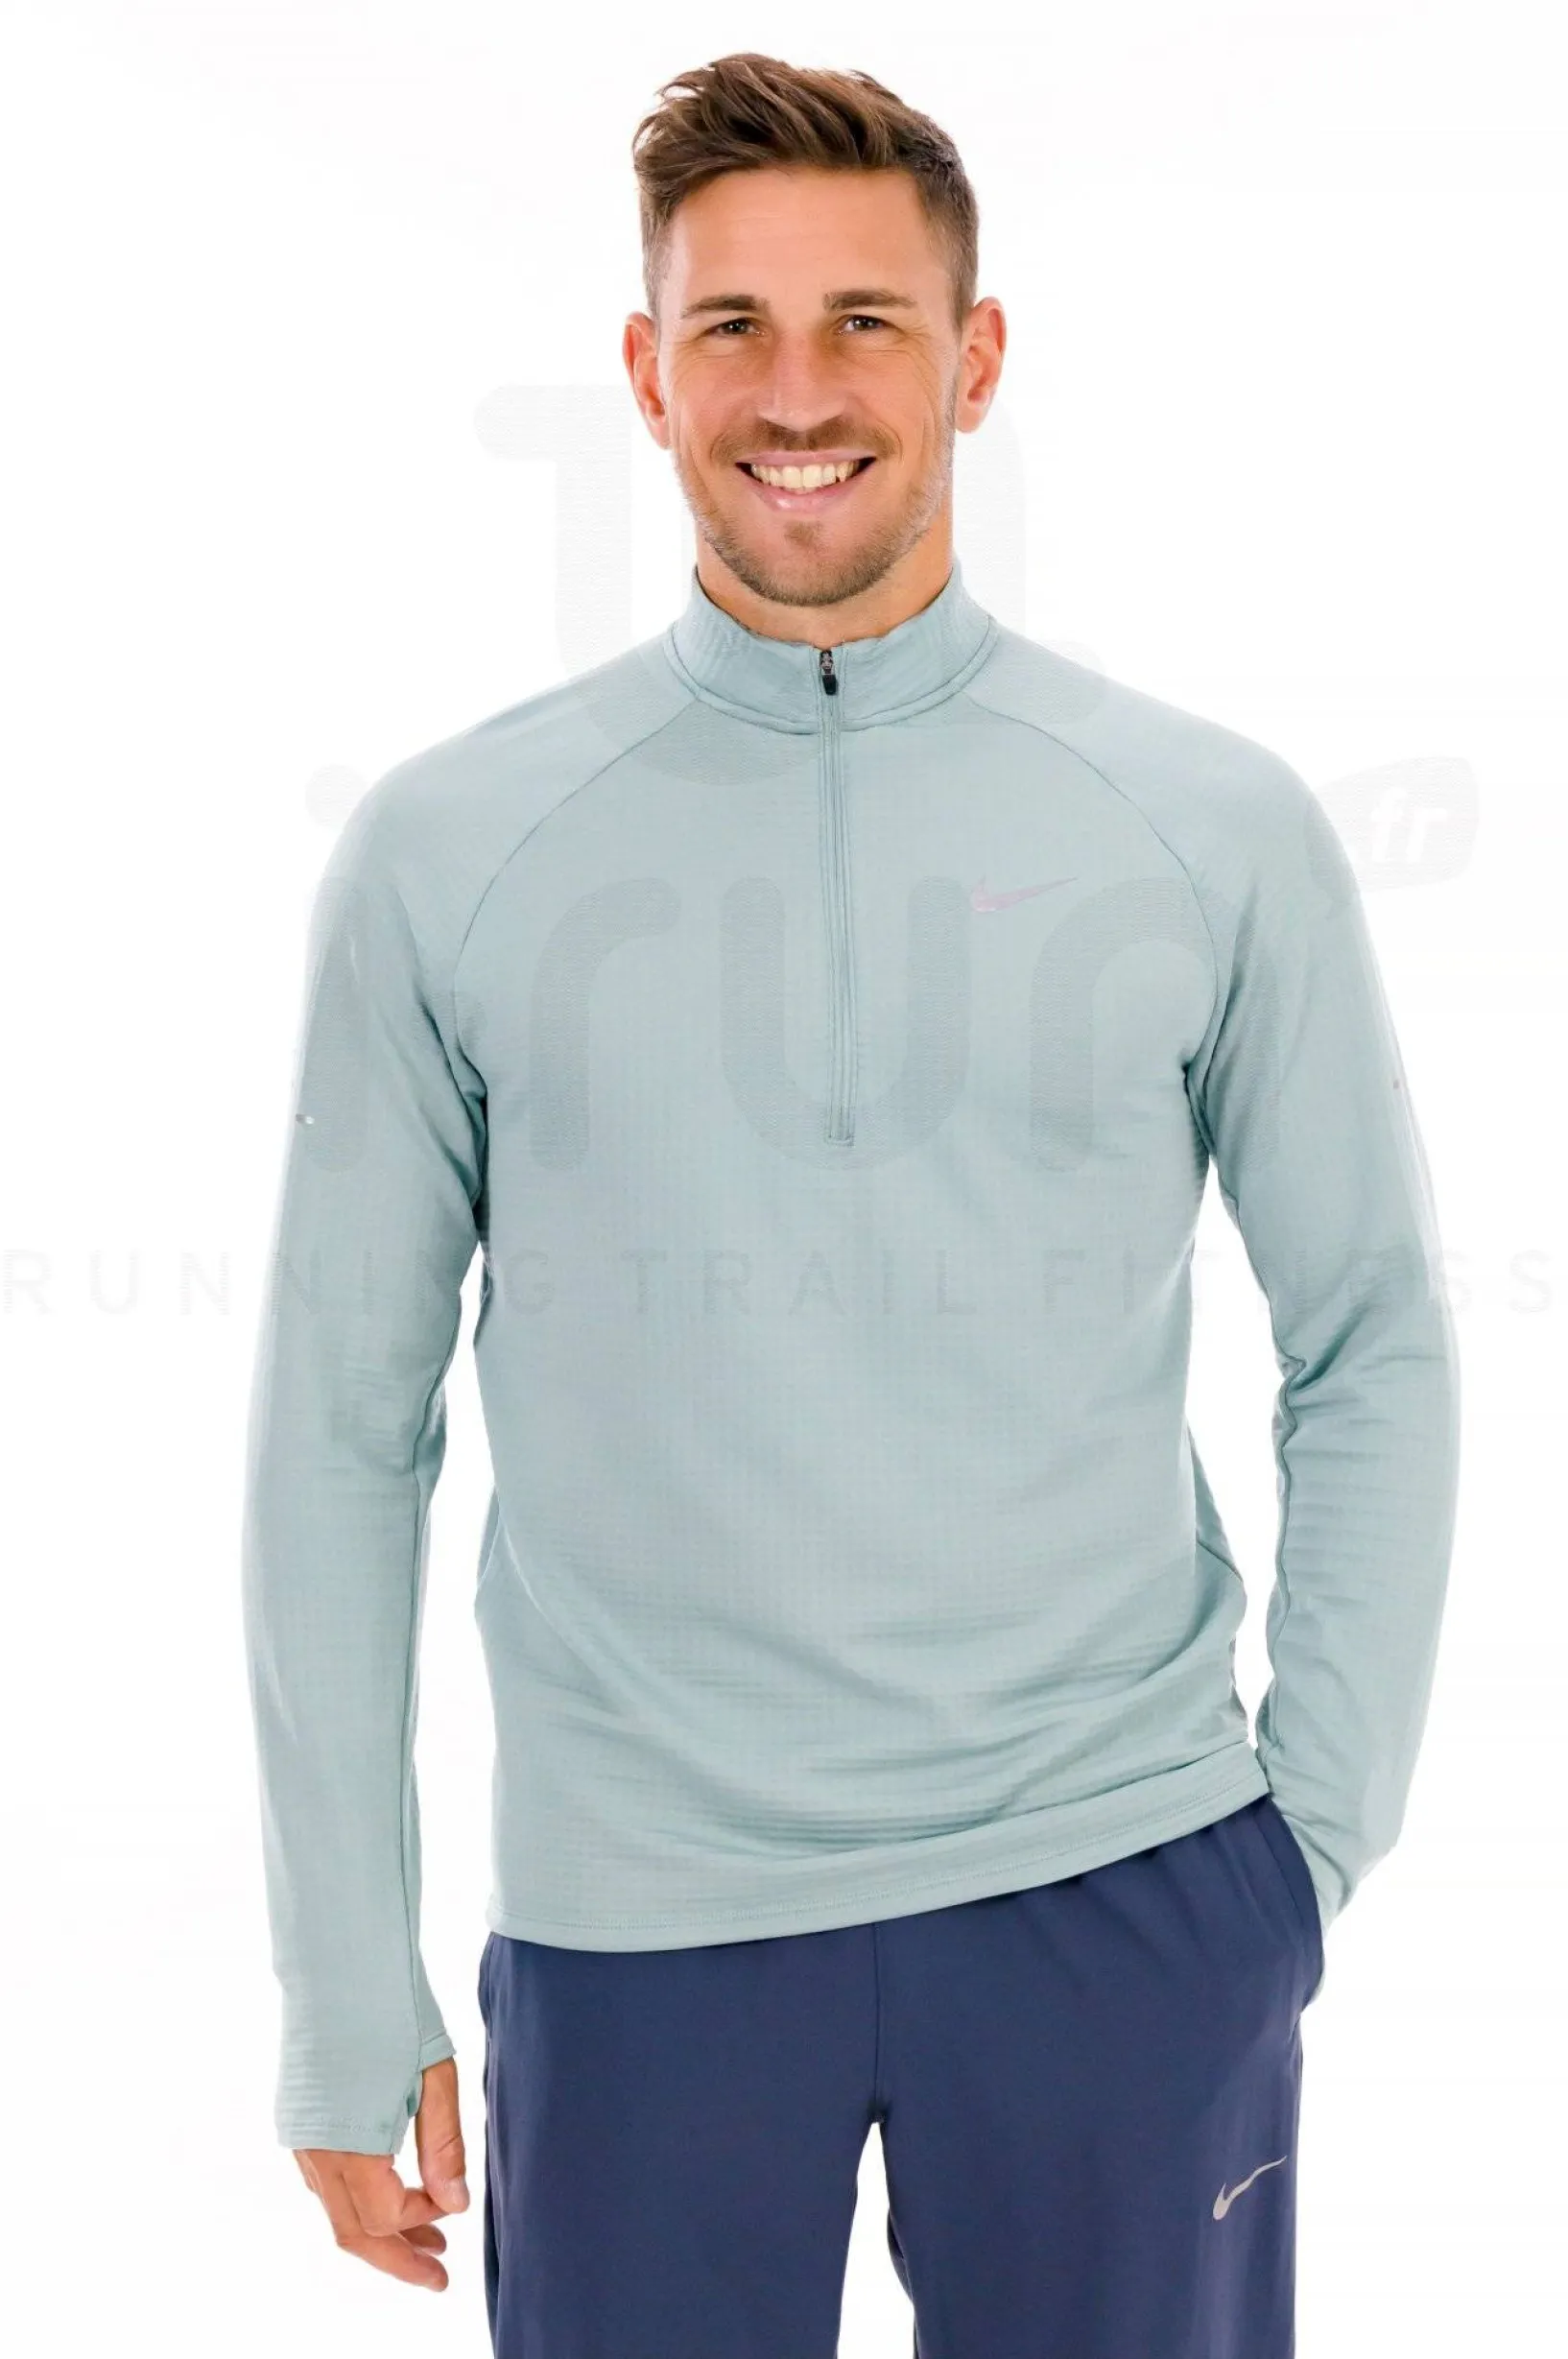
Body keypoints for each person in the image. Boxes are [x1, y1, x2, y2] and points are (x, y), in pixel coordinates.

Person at [241, 49, 1461, 2357]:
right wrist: (340, 1975)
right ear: (644, 371)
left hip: (1120, 1889)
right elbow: (338, 1423)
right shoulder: (448, 849)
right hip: (637, 1928)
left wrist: (1303, 1848)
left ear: (973, 359)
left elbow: (1371, 1329)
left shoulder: (1204, 823)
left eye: (864, 322)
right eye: (733, 325)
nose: (796, 393)